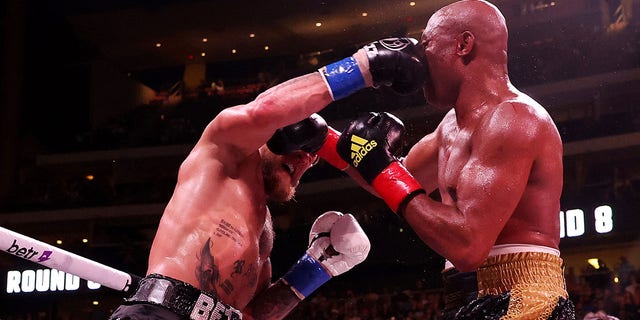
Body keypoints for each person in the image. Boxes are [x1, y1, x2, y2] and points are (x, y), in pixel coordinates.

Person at [107, 37, 426, 320]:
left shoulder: (262, 235)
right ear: (272, 135)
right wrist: (364, 66)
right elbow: (265, 111)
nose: (305, 159)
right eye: (299, 147)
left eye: (312, 158)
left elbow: (252, 314)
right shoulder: (222, 151)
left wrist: (317, 268)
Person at [332, 0, 576, 319]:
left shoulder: (514, 118)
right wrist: (321, 137)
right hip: (461, 299)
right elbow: (391, 181)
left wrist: (383, 167)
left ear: (463, 44)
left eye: (427, 44)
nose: (417, 60)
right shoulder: (449, 126)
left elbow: (468, 246)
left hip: (525, 301)